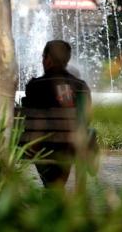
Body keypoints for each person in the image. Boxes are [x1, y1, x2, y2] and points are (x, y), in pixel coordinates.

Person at [21, 40, 92, 187]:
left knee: (39, 140)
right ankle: (55, 188)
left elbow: (29, 119)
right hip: (70, 146)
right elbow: (86, 118)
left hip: (38, 146)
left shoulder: (34, 86)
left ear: (47, 59)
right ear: (66, 60)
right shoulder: (80, 86)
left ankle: (52, 187)